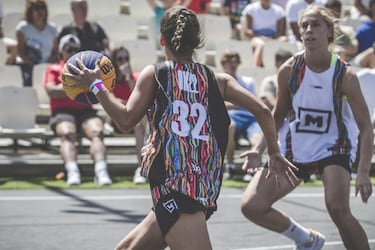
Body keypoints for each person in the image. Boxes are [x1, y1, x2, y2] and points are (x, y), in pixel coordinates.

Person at [64, 6, 298, 249]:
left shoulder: (156, 74)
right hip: (197, 189)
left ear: (162, 39)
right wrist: (272, 151)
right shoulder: (217, 80)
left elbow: (125, 121)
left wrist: (96, 86)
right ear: (197, 42)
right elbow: (262, 110)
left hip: (177, 192)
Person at [241, 5, 373, 250]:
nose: (309, 31)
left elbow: (366, 128)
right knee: (251, 205)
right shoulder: (289, 70)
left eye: (315, 25)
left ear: (329, 32)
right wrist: (259, 149)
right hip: (296, 149)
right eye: (304, 26)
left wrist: (363, 172)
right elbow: (277, 115)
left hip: (333, 147)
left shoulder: (345, 75)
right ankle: (306, 239)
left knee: (338, 208)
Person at [43, 34, 112, 186]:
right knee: (67, 134)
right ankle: (72, 172)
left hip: (85, 111)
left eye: (75, 49)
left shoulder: (86, 70)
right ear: (61, 51)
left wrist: (69, 86)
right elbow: (52, 91)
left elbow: (96, 90)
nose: (72, 52)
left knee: (97, 132)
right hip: (62, 111)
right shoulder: (53, 69)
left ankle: (101, 171)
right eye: (68, 49)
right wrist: (77, 84)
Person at [220, 50, 263, 181]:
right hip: (231, 117)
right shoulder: (218, 82)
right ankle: (230, 166)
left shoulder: (247, 81)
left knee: (257, 139)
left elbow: (252, 103)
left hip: (250, 119)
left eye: (235, 60)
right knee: (229, 127)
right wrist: (239, 103)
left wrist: (230, 103)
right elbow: (218, 105)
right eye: (229, 61)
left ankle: (251, 168)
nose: (232, 64)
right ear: (223, 64)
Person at [109, 46, 148, 184]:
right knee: (142, 123)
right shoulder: (110, 80)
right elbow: (113, 102)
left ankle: (141, 168)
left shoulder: (135, 78)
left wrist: (128, 77)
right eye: (120, 59)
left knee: (139, 126)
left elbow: (141, 98)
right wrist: (129, 103)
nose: (123, 62)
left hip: (136, 119)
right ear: (114, 61)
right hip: (119, 119)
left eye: (126, 59)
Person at [16, 0, 58, 86]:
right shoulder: (23, 28)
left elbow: (55, 51)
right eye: (37, 8)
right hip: (28, 67)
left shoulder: (52, 28)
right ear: (30, 11)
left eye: (42, 8)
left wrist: (47, 65)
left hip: (47, 66)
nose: (40, 11)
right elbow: (20, 51)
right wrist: (34, 66)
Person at [241, 0, 287, 67]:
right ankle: (255, 69)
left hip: (273, 37)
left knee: (284, 40)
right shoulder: (250, 9)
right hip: (256, 37)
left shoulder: (279, 10)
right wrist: (261, 37)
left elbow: (281, 32)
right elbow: (248, 31)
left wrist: (272, 38)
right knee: (260, 44)